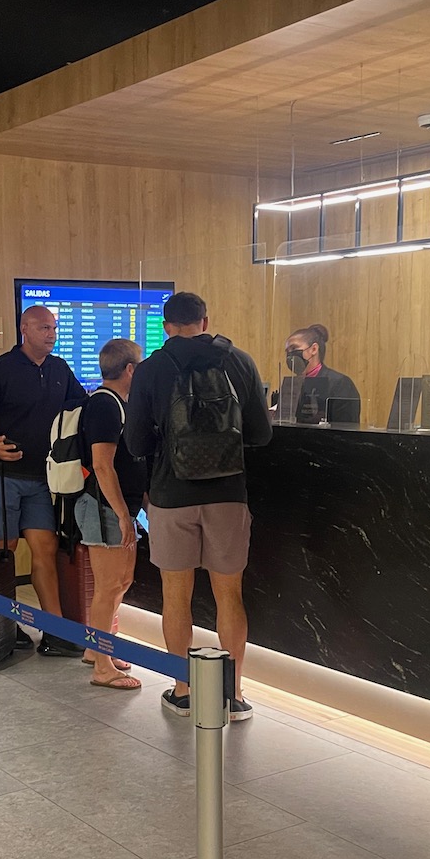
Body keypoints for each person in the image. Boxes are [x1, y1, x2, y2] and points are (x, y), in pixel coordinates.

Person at [124, 291, 273, 720]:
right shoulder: (239, 361)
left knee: (176, 597)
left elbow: (135, 442)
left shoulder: (151, 369)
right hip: (228, 495)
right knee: (230, 596)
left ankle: (184, 690)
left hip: (172, 496)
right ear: (206, 322)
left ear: (166, 326)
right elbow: (261, 435)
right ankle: (236, 694)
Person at [0, 304, 86, 657]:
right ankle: (5, 625)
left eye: (54, 328)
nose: (51, 334)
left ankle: (54, 629)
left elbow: (80, 406)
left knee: (45, 548)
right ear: (24, 329)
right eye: (44, 328)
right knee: (4, 550)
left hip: (39, 476)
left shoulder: (59, 368)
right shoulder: (0, 368)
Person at [78, 339, 146, 690]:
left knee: (121, 582)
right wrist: (122, 515)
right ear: (130, 369)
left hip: (120, 508)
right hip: (103, 508)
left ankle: (98, 649)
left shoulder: (120, 404)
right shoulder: (105, 405)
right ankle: (102, 666)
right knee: (107, 587)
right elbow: (103, 467)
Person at [282, 325, 360, 424]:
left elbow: (347, 428)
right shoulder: (291, 385)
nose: (290, 355)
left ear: (314, 349)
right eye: (287, 352)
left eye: (294, 348)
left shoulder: (340, 383)